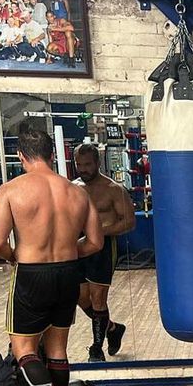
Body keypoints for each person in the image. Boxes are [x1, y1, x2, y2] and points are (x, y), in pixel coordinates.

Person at [0, 125, 103, 386]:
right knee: (57, 350)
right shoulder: (77, 192)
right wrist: (66, 254)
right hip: (68, 273)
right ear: (53, 155)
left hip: (31, 273)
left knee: (23, 349)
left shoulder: (11, 190)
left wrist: (15, 255)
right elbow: (95, 241)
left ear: (20, 156)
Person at [73, 143, 132, 361]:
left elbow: (129, 222)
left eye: (87, 164)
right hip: (78, 246)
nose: (83, 169)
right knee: (80, 298)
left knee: (98, 299)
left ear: (98, 163)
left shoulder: (114, 189)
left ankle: (96, 348)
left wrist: (98, 232)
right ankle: (113, 329)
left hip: (104, 248)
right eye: (79, 165)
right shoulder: (73, 188)